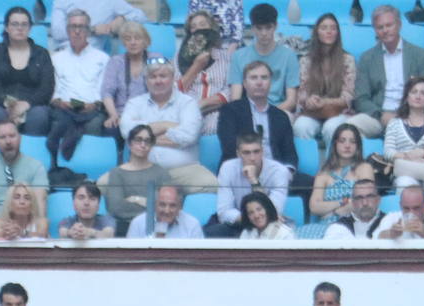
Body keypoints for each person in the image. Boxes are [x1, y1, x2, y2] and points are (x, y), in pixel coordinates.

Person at [122, 53, 218, 192]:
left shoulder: (188, 103)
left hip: (184, 170)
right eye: (153, 77)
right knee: (106, 184)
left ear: (173, 78)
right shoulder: (134, 103)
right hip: (142, 169)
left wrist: (145, 137)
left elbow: (188, 136)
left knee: (211, 184)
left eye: (163, 76)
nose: (158, 81)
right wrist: (167, 125)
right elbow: (127, 132)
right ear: (146, 80)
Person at [348, 4, 424, 139]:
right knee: (350, 127)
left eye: (389, 25)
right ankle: (369, 160)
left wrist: (411, 113)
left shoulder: (420, 55)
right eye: (380, 27)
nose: (385, 30)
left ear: (399, 25)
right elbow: (361, 98)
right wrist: (381, 114)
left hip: (414, 114)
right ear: (375, 30)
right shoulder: (367, 58)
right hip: (379, 116)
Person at [48, 9, 111, 162]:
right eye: (73, 27)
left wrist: (94, 104)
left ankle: (88, 167)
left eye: (81, 27)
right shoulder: (57, 58)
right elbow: (53, 89)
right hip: (63, 108)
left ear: (88, 31)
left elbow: (103, 89)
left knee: (94, 124)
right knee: (59, 121)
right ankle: (58, 168)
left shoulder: (102, 58)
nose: (77, 31)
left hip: (91, 110)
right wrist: (59, 102)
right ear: (67, 30)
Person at [216, 60, 300, 174]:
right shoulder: (230, 111)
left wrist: (287, 173)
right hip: (240, 172)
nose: (259, 82)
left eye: (264, 78)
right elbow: (229, 148)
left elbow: (290, 153)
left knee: (311, 184)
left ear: (271, 83)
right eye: (254, 78)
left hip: (275, 173)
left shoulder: (281, 116)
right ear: (244, 84)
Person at [0, 6, 55, 139]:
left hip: (33, 105)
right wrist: (9, 106)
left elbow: (46, 88)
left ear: (30, 28)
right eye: (15, 24)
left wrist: (26, 105)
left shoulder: (42, 54)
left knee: (39, 115)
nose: (20, 28)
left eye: (24, 24)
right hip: (1, 104)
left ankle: (33, 156)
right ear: (6, 27)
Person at [383, 75, 424, 207]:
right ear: (407, 97)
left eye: (423, 93)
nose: (418, 96)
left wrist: (423, 153)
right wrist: (407, 156)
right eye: (414, 92)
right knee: (404, 185)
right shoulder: (394, 123)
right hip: (405, 169)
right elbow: (388, 152)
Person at [301, 122, 374, 239]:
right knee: (300, 236)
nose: (347, 145)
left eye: (352, 141)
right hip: (327, 226)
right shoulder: (323, 174)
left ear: (358, 146)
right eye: (342, 141)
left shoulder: (364, 168)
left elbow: (365, 200)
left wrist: (335, 212)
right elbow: (314, 207)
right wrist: (342, 203)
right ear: (335, 144)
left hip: (356, 224)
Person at [0, 118, 50, 224]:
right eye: (2, 137)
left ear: (20, 138)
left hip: (24, 226)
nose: (8, 141)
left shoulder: (36, 166)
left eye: (12, 136)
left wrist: (39, 230)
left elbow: (40, 202)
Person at [211, 128, 287, 235]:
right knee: (212, 232)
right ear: (238, 154)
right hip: (239, 223)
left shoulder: (279, 171)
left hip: (269, 225)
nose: (252, 158)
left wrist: (254, 181)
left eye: (256, 152)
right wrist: (250, 218)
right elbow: (224, 212)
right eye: (246, 153)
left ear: (263, 151)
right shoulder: (227, 168)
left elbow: (272, 211)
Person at [294, 13, 354, 145]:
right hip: (312, 112)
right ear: (317, 32)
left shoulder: (347, 60)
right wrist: (309, 100)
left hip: (338, 111)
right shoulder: (306, 60)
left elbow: (348, 96)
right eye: (324, 28)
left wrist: (326, 102)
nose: (329, 32)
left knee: (332, 128)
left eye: (333, 28)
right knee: (301, 126)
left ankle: (332, 164)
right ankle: (308, 164)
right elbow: (302, 92)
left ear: (338, 32)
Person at [102, 121, 169, 235]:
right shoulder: (117, 173)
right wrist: (152, 204)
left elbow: (170, 205)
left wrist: (138, 199)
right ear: (129, 144)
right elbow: (116, 208)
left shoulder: (161, 173)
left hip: (157, 227)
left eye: (147, 141)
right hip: (125, 228)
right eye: (138, 140)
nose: (143, 145)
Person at [176, 9, 236, 137]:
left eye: (203, 25)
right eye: (193, 26)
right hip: (185, 112)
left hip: (217, 111)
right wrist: (196, 66)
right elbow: (174, 91)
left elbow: (231, 90)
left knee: (216, 128)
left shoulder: (226, 57)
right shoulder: (178, 58)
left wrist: (202, 104)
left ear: (212, 28)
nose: (198, 29)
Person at [227, 2, 297, 111]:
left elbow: (291, 101)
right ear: (252, 28)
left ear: (276, 26)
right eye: (259, 28)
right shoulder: (238, 56)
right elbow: (235, 98)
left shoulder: (289, 56)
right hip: (248, 113)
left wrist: (269, 116)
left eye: (268, 27)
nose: (264, 33)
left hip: (279, 111)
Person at [100, 20, 151, 138]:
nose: (132, 42)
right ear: (123, 43)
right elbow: (107, 92)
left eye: (137, 38)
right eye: (128, 39)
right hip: (122, 114)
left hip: (149, 114)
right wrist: (113, 115)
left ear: (145, 41)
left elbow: (165, 89)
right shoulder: (116, 62)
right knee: (110, 128)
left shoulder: (156, 59)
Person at [50, 0, 145, 51]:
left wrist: (123, 19)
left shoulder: (110, 2)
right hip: (65, 53)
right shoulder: (62, 1)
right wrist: (92, 30)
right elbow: (57, 32)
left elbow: (140, 16)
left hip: (93, 56)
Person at [125, 182, 205, 237]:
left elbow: (198, 259)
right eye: (162, 205)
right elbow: (129, 257)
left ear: (180, 207)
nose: (167, 211)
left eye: (172, 206)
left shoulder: (192, 225)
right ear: (155, 204)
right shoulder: (138, 223)